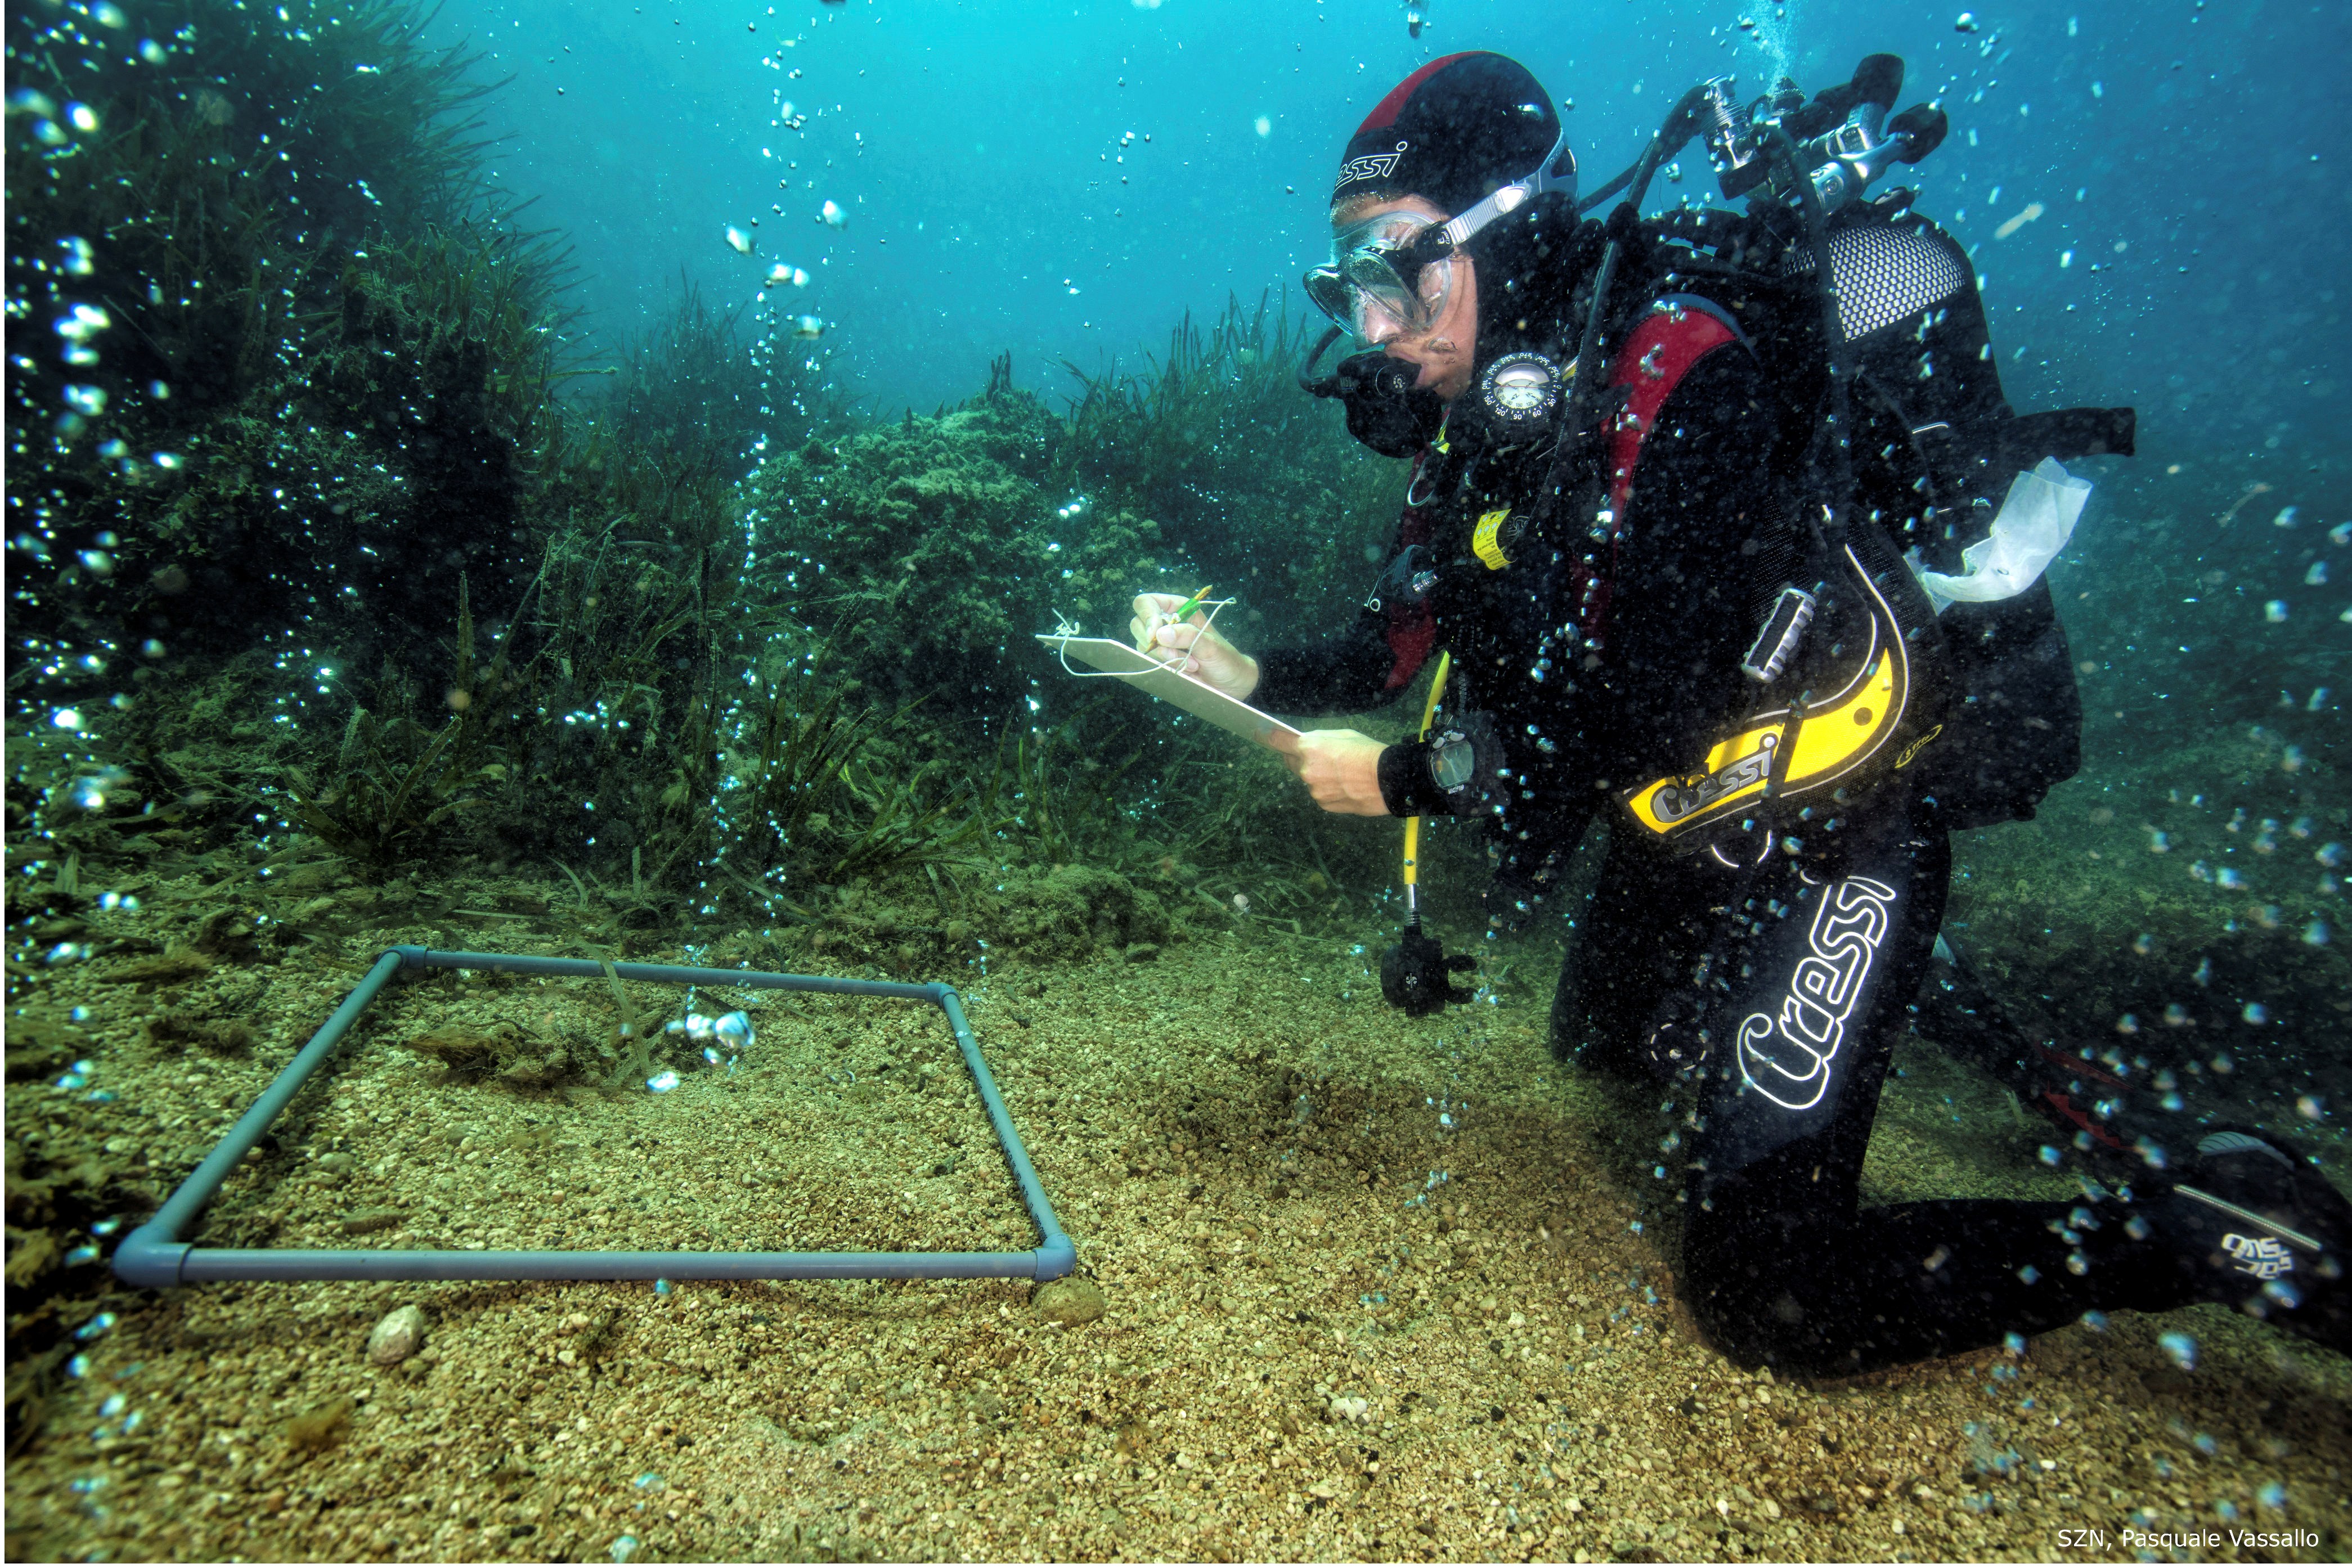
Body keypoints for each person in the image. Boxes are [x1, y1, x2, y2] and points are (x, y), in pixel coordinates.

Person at [1130, 50, 2349, 1372]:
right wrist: (1242, 672)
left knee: (1777, 1295)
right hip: (1702, 814)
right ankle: (1854, 1007)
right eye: (1348, 282)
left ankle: (2204, 1227)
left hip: (1837, 811)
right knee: (1605, 1047)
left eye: (1399, 268)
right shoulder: (1500, 417)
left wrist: (1413, 779)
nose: (1373, 324)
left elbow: (1627, 718)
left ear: (1510, 225)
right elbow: (1397, 635)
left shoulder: (1681, 374)